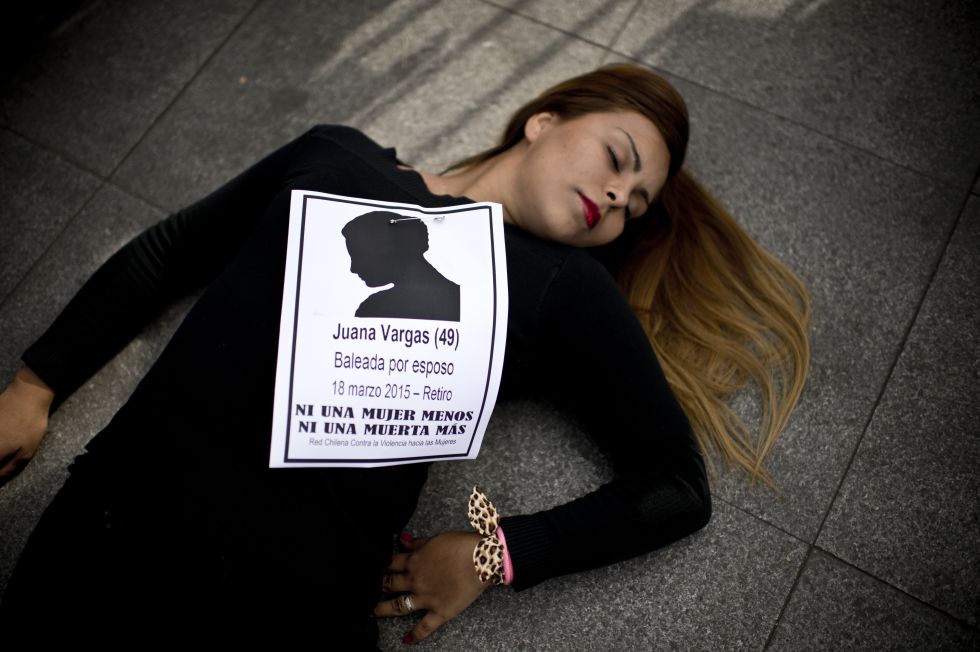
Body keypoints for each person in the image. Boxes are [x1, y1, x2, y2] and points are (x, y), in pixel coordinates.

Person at [0, 64, 810, 645]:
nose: (616, 201)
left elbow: (674, 487)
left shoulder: (562, 287)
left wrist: (499, 554)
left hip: (292, 605)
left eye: (634, 207)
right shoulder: (336, 156)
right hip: (115, 530)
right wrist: (38, 382)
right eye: (618, 158)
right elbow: (174, 250)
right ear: (546, 120)